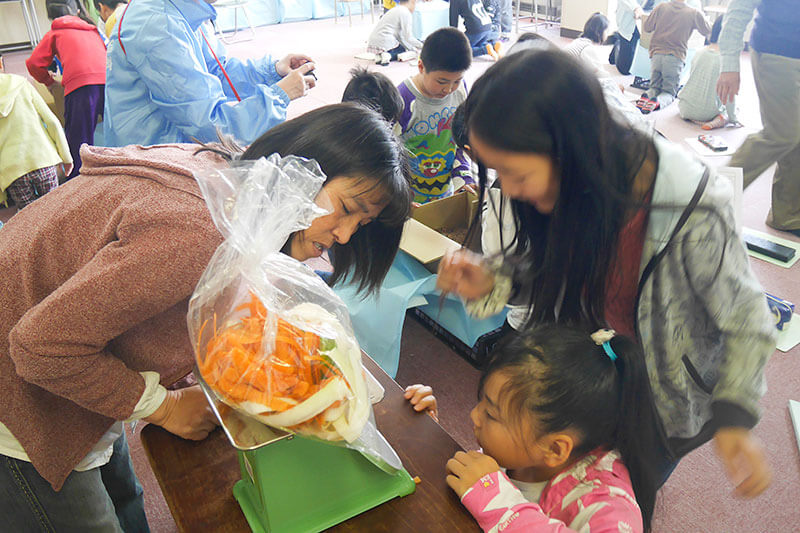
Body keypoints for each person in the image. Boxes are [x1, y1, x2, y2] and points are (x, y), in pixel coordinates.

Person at [0, 103, 412, 530]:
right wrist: (164, 407)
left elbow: (155, 298)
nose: (344, 235)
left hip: (73, 366)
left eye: (361, 224)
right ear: (308, 166)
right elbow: (39, 348)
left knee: (125, 498)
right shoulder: (202, 229)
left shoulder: (229, 180)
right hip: (22, 398)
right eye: (346, 208)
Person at [437, 49, 776, 497]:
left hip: (660, 400)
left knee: (623, 496)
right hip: (588, 373)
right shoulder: (570, 186)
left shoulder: (693, 208)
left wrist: (734, 414)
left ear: (569, 150)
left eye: (515, 173)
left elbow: (747, 319)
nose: (509, 188)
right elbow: (549, 270)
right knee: (569, 487)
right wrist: (495, 279)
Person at [406, 325, 662, 532]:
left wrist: (499, 502)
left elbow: (493, 495)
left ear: (554, 448)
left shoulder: (607, 505)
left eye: (491, 414)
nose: (474, 415)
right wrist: (431, 433)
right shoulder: (529, 446)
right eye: (481, 401)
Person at [103, 0, 316, 147]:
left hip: (171, 147)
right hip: (151, 161)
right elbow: (209, 125)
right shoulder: (158, 27)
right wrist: (278, 96)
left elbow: (216, 71)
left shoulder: (184, 12)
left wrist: (273, 71)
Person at [717, 0, 800, 238]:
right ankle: (709, 196)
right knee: (781, 134)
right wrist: (729, 65)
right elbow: (738, 10)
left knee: (798, 136)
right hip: (776, 52)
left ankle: (788, 214)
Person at [25, 0, 106, 180]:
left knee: (78, 138)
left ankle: (77, 181)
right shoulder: (93, 30)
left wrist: (48, 81)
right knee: (112, 131)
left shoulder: (56, 32)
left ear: (51, 16)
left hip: (81, 87)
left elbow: (33, 64)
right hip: (108, 81)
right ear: (77, 11)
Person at [398, 27, 474, 203]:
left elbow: (461, 141)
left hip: (444, 192)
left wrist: (463, 179)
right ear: (421, 66)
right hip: (407, 198)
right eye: (441, 81)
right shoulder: (403, 99)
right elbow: (387, 155)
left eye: (457, 81)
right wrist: (398, 198)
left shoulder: (460, 92)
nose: (448, 89)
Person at [0, 62, 72, 210]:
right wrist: (66, 157)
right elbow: (52, 122)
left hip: (13, 172)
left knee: (31, 220)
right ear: (0, 64)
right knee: (55, 210)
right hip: (43, 159)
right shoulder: (21, 84)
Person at [637, 0, 711, 113]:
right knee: (669, 92)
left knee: (654, 87)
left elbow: (647, 27)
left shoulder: (661, 7)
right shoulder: (693, 13)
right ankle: (657, 101)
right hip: (675, 57)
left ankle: (647, 96)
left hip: (656, 55)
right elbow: (707, 30)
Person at [677, 16, 738, 130]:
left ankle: (695, 117)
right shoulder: (727, 61)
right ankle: (718, 120)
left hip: (684, 107)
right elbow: (730, 97)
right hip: (706, 113)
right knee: (732, 107)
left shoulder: (699, 52)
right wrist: (734, 119)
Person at [564, 12, 611, 77]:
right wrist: (614, 85)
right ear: (598, 32)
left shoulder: (579, 41)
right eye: (607, 31)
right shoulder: (588, 49)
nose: (608, 34)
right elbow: (599, 74)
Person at [609, 0, 644, 75]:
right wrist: (636, 8)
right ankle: (618, 43)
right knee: (625, 70)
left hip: (644, 21)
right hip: (628, 23)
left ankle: (619, 40)